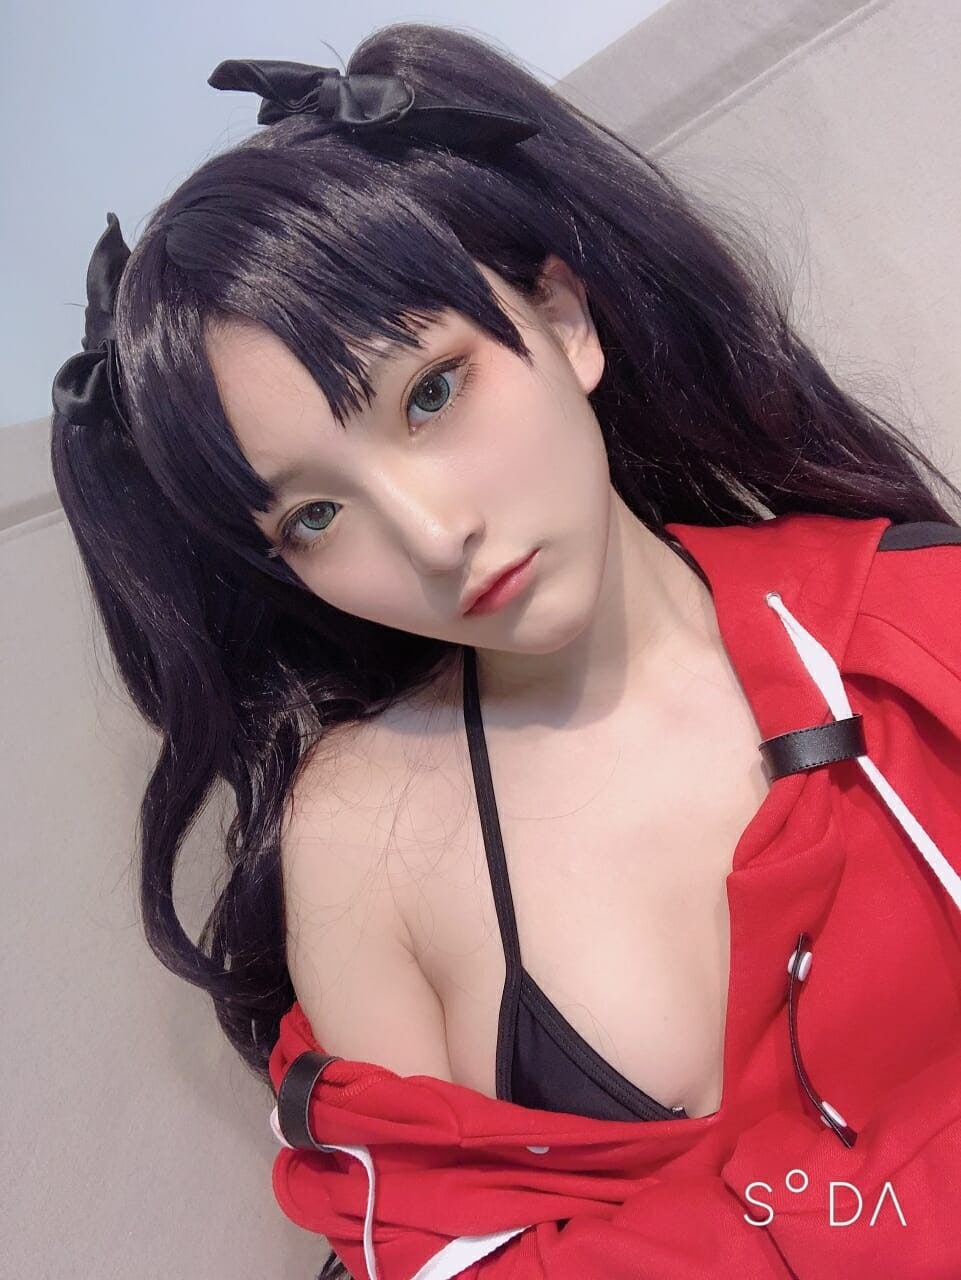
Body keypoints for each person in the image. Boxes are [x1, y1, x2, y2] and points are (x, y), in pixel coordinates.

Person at [50, 22, 961, 1280]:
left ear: (564, 319)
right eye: (314, 516)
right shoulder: (361, 835)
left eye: (430, 392)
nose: (433, 537)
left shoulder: (908, 622)